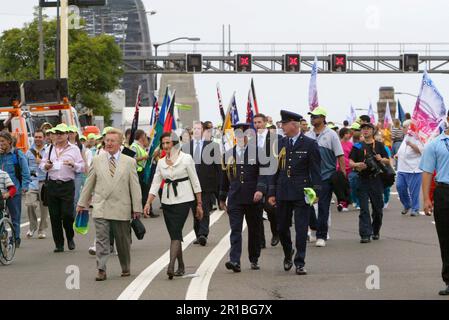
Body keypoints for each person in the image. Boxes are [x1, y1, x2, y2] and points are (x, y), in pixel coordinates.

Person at [77, 128, 142, 281]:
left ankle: (125, 266)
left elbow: (135, 186)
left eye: (113, 141)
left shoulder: (129, 161)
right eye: (107, 140)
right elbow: (89, 183)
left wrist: (137, 208)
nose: (109, 143)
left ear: (120, 143)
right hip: (101, 205)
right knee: (101, 240)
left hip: (121, 206)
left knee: (122, 240)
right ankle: (101, 269)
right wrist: (82, 203)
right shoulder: (98, 160)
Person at [268, 110, 321, 275]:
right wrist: (271, 192)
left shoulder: (309, 144)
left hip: (301, 191)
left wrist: (316, 191)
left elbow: (316, 170)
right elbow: (273, 170)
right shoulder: (280, 144)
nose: (282, 127)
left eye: (284, 124)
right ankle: (287, 252)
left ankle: (300, 262)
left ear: (293, 124)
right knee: (282, 227)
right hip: (283, 191)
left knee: (301, 228)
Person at [144, 132, 203, 279]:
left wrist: (199, 204)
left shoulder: (186, 159)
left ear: (175, 143)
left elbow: (195, 181)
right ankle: (181, 266)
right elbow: (156, 183)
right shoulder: (161, 162)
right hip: (167, 202)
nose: (165, 146)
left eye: (168, 143)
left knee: (176, 232)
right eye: (163, 144)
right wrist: (148, 202)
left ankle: (171, 266)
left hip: (184, 200)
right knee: (174, 235)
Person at [219, 123, 267, 272]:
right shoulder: (228, 154)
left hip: (254, 197)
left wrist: (260, 190)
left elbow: (264, 174)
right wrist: (222, 197)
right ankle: (235, 261)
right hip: (235, 197)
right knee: (235, 230)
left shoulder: (258, 152)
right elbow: (224, 177)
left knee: (254, 230)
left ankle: (254, 259)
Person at [40, 124, 84, 252]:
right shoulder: (49, 148)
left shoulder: (74, 149)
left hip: (67, 185)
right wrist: (46, 166)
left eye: (61, 133)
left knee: (67, 215)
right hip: (52, 185)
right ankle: (59, 244)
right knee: (54, 216)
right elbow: (42, 164)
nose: (58, 135)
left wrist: (73, 164)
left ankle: (70, 237)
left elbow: (82, 167)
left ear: (67, 135)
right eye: (56, 133)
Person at [305, 107, 345, 247]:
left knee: (323, 206)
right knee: (307, 205)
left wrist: (342, 175)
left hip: (326, 176)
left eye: (315, 116)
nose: (312, 118)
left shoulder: (332, 134)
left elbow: (339, 155)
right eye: (311, 116)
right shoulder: (308, 135)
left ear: (323, 118)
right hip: (309, 177)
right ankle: (314, 228)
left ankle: (321, 236)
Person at [420, 111, 449, 296]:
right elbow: (427, 172)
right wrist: (426, 199)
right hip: (444, 193)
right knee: (446, 239)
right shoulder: (435, 144)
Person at [349, 122, 390, 243]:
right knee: (364, 209)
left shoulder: (379, 145)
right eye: (363, 129)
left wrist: (381, 159)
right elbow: (350, 161)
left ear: (373, 131)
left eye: (368, 129)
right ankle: (365, 234)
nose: (365, 131)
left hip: (376, 180)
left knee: (378, 209)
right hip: (362, 179)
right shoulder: (357, 146)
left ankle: (375, 230)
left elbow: (388, 161)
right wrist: (357, 164)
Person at [182, 121, 221, 247]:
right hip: (191, 185)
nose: (197, 130)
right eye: (195, 128)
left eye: (199, 128)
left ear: (203, 131)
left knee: (204, 208)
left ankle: (203, 233)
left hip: (206, 184)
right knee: (195, 210)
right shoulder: (186, 147)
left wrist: (219, 186)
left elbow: (218, 167)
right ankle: (198, 234)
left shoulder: (212, 146)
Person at [0, 131, 31, 248]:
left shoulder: (17, 154)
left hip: (14, 191)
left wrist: (25, 187)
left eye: (2, 141)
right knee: (1, 215)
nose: (0, 143)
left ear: (9, 141)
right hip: (1, 191)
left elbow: (25, 171)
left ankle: (15, 238)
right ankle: (3, 236)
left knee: (15, 216)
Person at [253, 114, 279, 247]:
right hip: (256, 178)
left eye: (259, 122)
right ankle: (260, 240)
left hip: (271, 177)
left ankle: (276, 232)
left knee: (270, 208)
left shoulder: (275, 138)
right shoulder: (251, 140)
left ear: (265, 123)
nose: (257, 125)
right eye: (255, 123)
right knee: (257, 210)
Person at [25, 130, 49, 239]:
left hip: (45, 181)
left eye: (40, 137)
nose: (37, 139)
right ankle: (32, 226)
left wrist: (42, 163)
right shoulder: (29, 152)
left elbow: (52, 165)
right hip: (32, 182)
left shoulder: (48, 151)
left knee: (44, 207)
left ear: (44, 138)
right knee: (30, 204)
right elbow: (25, 168)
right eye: (36, 137)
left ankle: (41, 229)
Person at [396, 125, 423, 217]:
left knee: (414, 191)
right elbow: (401, 151)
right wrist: (397, 154)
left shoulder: (418, 138)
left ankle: (415, 209)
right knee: (400, 187)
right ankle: (407, 205)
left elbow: (421, 151)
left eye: (404, 127)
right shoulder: (405, 138)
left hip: (414, 169)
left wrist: (411, 144)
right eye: (402, 126)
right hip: (402, 169)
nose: (402, 128)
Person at [130, 129, 151, 210]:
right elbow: (132, 159)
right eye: (145, 136)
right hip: (137, 172)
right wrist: (143, 157)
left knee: (144, 191)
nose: (145, 137)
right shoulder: (134, 146)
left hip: (141, 172)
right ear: (142, 136)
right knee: (140, 191)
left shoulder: (139, 146)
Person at [334, 127, 352, 212]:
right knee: (339, 187)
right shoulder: (338, 143)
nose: (349, 135)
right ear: (344, 134)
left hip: (349, 168)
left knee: (347, 187)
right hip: (339, 168)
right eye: (348, 133)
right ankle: (340, 203)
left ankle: (345, 204)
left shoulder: (351, 144)